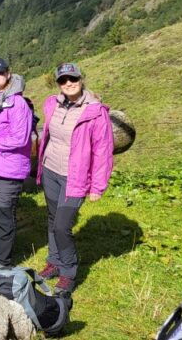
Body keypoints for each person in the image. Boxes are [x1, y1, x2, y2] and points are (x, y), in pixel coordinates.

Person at [36, 63, 113, 295]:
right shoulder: (53, 104)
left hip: (75, 177)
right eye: (63, 80)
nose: (68, 84)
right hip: (50, 169)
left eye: (73, 79)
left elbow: (103, 151)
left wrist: (98, 187)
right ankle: (54, 261)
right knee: (52, 218)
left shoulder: (96, 112)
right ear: (58, 83)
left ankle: (68, 272)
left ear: (81, 79)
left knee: (62, 226)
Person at [0, 58, 33, 272]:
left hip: (9, 168)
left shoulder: (17, 103)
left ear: (8, 75)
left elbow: (20, 138)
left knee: (3, 212)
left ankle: (2, 260)